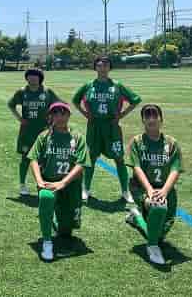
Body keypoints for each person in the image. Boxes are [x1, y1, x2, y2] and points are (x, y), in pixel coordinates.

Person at [72, 56, 141, 203]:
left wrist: (122, 115)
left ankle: (125, 191)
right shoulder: (89, 85)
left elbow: (135, 100)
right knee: (90, 159)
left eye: (105, 65)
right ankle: (86, 189)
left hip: (112, 127)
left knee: (119, 159)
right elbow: (75, 100)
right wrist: (84, 113)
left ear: (110, 68)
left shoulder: (117, 85)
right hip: (94, 127)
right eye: (99, 65)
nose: (102, 68)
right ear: (95, 67)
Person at [28, 102, 90, 261]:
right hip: (49, 182)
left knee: (66, 231)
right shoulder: (44, 136)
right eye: (56, 113)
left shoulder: (78, 137)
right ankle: (47, 241)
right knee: (46, 197)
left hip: (71, 185)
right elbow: (33, 159)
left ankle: (55, 218)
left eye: (63, 113)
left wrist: (63, 183)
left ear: (69, 115)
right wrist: (40, 181)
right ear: (51, 116)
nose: (60, 117)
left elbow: (81, 164)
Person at [125, 104, 183, 265]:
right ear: (143, 120)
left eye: (154, 115)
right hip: (142, 188)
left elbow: (175, 169)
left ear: (161, 119)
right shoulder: (137, 142)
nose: (151, 119)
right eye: (147, 116)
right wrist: (150, 191)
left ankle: (137, 218)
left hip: (166, 189)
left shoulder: (171, 143)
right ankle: (152, 248)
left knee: (158, 233)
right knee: (158, 207)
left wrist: (164, 191)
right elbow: (137, 168)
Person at [8, 68, 61, 196]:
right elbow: (11, 104)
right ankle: (22, 185)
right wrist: (20, 118)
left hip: (44, 130)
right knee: (25, 158)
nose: (32, 78)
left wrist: (53, 121)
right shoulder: (22, 92)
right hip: (27, 131)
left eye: (35, 76)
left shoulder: (47, 92)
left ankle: (43, 183)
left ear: (40, 78)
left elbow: (59, 105)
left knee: (44, 158)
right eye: (30, 76)